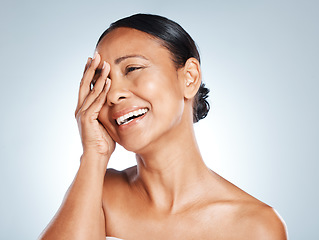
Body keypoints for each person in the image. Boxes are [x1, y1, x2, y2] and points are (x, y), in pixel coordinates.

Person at [39, 13, 287, 240]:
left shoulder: (256, 226)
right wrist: (94, 154)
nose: (113, 94)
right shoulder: (96, 193)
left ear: (189, 78)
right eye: (101, 81)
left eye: (132, 68)